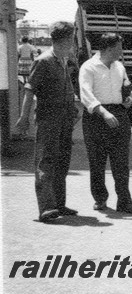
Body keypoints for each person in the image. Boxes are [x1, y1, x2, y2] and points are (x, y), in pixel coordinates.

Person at [15, 22, 80, 222]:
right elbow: (29, 90)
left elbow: (68, 85)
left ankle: (59, 204)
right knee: (46, 161)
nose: (73, 43)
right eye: (72, 39)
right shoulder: (44, 61)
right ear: (66, 39)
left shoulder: (65, 60)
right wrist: (24, 118)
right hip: (48, 118)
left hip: (65, 117)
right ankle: (46, 207)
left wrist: (73, 104)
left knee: (62, 161)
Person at [79, 32, 132, 214]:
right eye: (119, 49)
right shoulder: (89, 67)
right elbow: (85, 94)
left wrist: (130, 98)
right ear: (108, 48)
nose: (121, 53)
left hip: (119, 114)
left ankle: (124, 201)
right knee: (97, 162)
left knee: (121, 162)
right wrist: (103, 112)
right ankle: (100, 200)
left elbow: (128, 86)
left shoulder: (119, 67)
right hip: (96, 117)